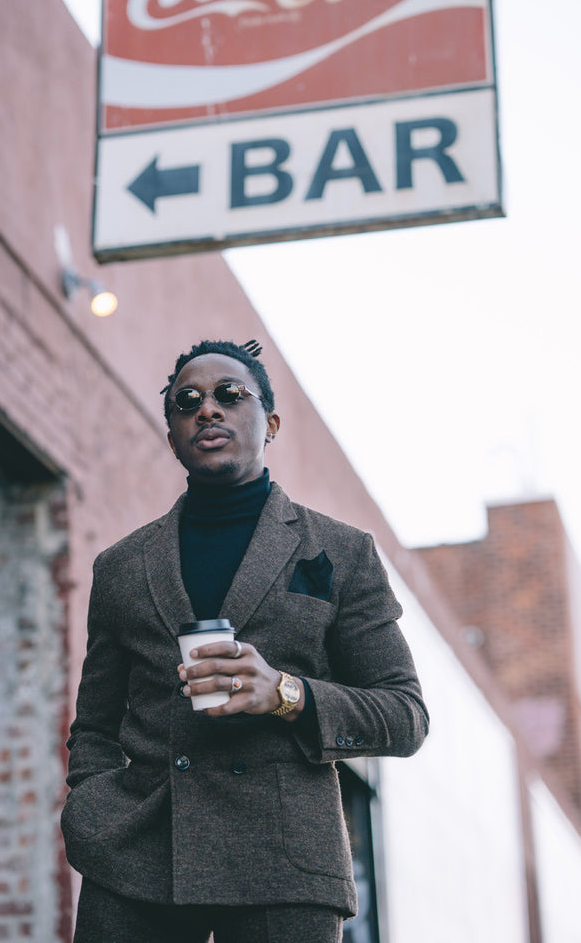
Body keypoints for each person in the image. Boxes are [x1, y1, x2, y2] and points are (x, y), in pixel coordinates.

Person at [62, 338, 429, 943]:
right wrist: (92, 814)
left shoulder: (340, 550)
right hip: (136, 857)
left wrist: (285, 693)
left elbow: (406, 715)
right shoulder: (121, 566)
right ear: (172, 435)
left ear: (271, 422)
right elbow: (94, 727)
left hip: (283, 864)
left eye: (230, 394)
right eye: (187, 402)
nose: (207, 409)